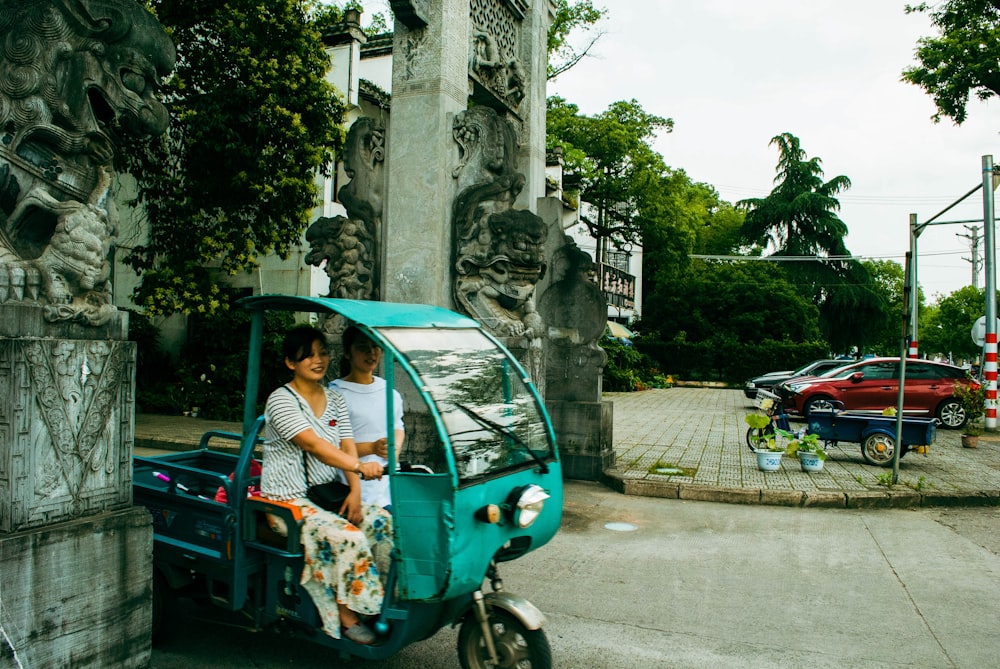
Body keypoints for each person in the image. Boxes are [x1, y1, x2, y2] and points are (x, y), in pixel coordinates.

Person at [261, 325, 391, 645]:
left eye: (323, 352)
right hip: (286, 502)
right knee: (347, 537)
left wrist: (356, 491)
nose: (318, 360)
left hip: (324, 495)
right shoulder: (281, 400)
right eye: (309, 355)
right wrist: (361, 466)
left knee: (382, 523)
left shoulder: (334, 398)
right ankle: (346, 615)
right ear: (291, 363)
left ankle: (377, 598)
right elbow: (316, 446)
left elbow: (346, 445)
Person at [330, 325, 404, 511]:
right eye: (362, 347)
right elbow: (330, 447)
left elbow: (397, 426)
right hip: (353, 487)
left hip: (390, 484)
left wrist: (393, 451)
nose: (371, 353)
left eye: (375, 346)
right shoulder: (335, 394)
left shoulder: (389, 392)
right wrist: (371, 448)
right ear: (348, 353)